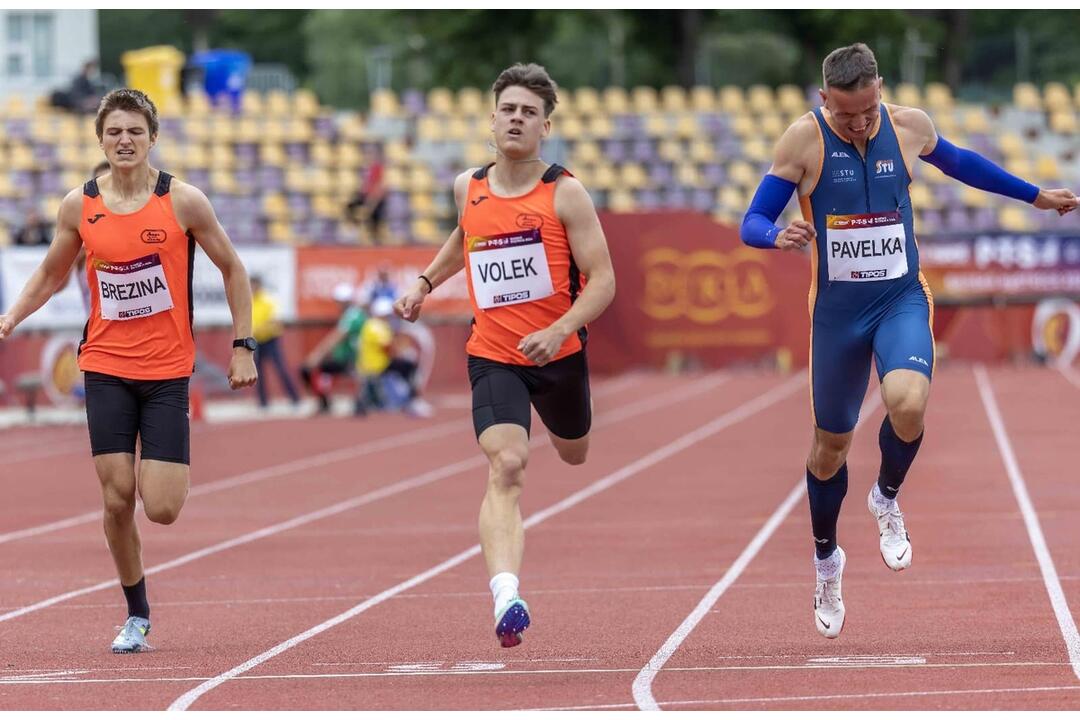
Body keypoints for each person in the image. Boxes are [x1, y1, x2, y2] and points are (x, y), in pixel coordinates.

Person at [739, 43, 1078, 639]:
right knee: (829, 448)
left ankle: (886, 498)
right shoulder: (803, 141)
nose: (861, 122)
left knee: (909, 404)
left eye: (868, 109)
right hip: (837, 316)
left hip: (900, 298)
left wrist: (1034, 195)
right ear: (824, 101)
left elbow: (965, 163)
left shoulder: (909, 125)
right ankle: (827, 561)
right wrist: (775, 235)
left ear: (880, 91)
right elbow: (751, 221)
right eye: (847, 115)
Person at [0, 88, 258, 653]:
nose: (124, 140)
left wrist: (243, 344)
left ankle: (159, 490)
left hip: (166, 370)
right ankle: (136, 611)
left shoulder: (183, 201)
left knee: (161, 507)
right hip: (106, 366)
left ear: (152, 139)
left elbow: (234, 269)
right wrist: (12, 315)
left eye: (134, 132)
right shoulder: (79, 205)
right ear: (100, 139)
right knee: (117, 499)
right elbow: (48, 273)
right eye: (114, 131)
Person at [394, 63, 616, 648]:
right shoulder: (468, 186)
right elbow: (463, 236)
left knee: (574, 454)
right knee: (507, 464)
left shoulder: (564, 192)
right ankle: (506, 594)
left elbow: (602, 281)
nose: (517, 119)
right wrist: (424, 283)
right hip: (494, 355)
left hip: (560, 352)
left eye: (529, 113)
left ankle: (508, 583)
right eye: (508, 110)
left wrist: (562, 327)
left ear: (546, 127)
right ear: (492, 121)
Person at [301, 283, 366, 414]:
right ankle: (325, 401)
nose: (339, 304)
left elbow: (337, 337)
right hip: (350, 357)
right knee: (322, 371)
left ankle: (324, 402)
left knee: (308, 369)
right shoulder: (354, 314)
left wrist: (317, 355)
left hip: (352, 359)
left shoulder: (352, 315)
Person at [251, 275, 300, 409]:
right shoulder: (249, 301)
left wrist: (259, 328)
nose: (252, 288)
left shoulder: (268, 300)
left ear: (259, 286)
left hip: (270, 339)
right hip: (256, 341)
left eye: (254, 285)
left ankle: (295, 397)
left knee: (280, 368)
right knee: (257, 372)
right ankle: (263, 402)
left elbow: (275, 319)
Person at [345, 146, 387, 244]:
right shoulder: (364, 168)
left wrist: (371, 204)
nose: (368, 157)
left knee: (373, 216)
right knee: (350, 206)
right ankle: (354, 229)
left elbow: (379, 189)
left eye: (370, 155)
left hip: (375, 199)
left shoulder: (377, 168)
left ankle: (375, 236)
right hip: (365, 196)